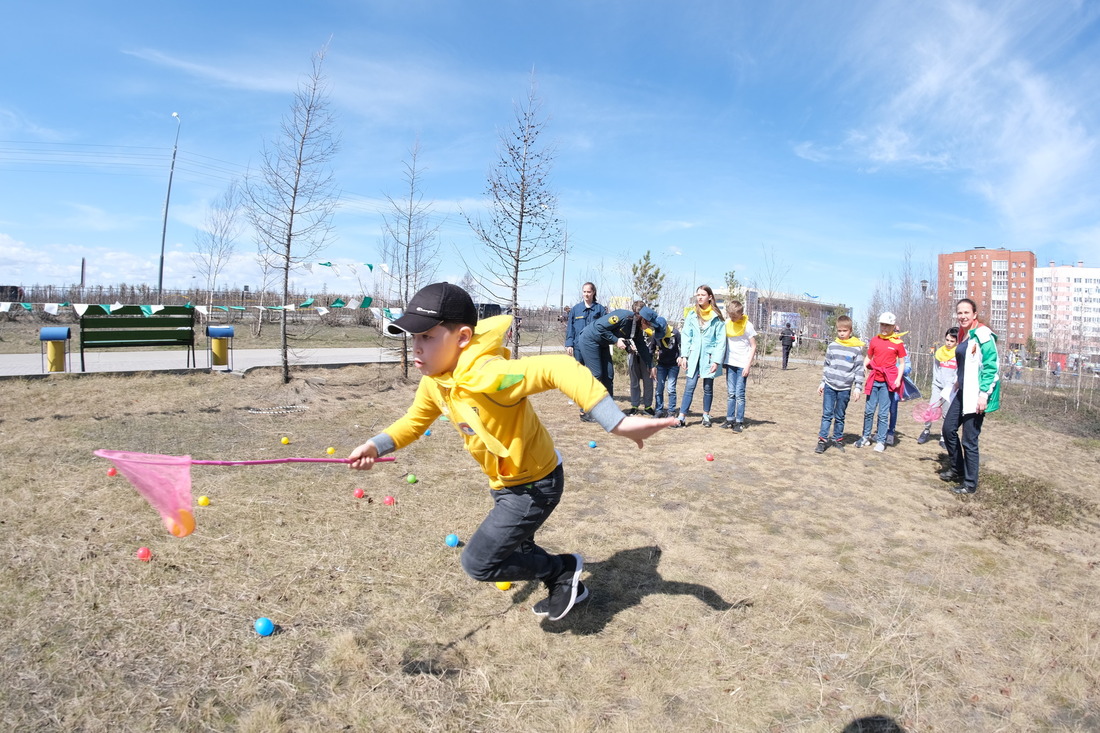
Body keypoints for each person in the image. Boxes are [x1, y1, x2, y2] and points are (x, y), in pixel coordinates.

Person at [348, 282, 674, 621]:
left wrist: (616, 423)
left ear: (461, 337)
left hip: (534, 485)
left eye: (426, 337)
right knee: (518, 547)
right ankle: (563, 578)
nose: (415, 347)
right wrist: (375, 445)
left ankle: (562, 570)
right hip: (503, 482)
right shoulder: (436, 381)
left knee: (479, 562)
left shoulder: (491, 376)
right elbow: (414, 421)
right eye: (413, 337)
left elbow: (558, 369)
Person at [940, 298, 1001, 495]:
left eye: (966, 312)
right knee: (948, 429)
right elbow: (965, 363)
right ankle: (957, 468)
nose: (962, 316)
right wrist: (957, 382)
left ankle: (970, 484)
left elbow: (991, 366)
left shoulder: (983, 334)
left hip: (976, 395)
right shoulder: (962, 335)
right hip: (962, 392)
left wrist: (984, 395)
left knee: (969, 440)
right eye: (959, 313)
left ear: (974, 314)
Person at [575, 303, 662, 411]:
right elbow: (599, 327)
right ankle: (586, 410)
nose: (650, 327)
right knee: (596, 374)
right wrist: (616, 340)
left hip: (602, 344)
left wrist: (650, 364)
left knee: (609, 375)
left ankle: (608, 409)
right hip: (590, 339)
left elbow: (642, 347)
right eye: (650, 325)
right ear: (644, 320)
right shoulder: (623, 317)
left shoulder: (637, 328)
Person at [673, 285, 725, 428]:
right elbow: (686, 336)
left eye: (703, 294)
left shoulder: (717, 317)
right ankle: (682, 417)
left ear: (710, 297)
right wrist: (684, 355)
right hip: (693, 356)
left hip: (709, 357)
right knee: (689, 386)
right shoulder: (691, 314)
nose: (700, 297)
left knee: (708, 388)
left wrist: (716, 360)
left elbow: (721, 340)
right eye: (698, 295)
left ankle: (706, 416)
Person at [856, 312, 907, 452]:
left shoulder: (898, 343)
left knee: (883, 413)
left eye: (887, 325)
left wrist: (897, 379)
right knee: (869, 410)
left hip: (887, 382)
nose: (884, 327)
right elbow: (869, 357)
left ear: (893, 326)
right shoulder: (874, 340)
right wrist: (863, 367)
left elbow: (902, 363)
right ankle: (865, 436)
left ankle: (881, 440)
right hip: (874, 380)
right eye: (882, 324)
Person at [815, 315, 864, 453]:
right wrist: (823, 382)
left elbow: (859, 369)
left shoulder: (856, 349)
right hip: (830, 386)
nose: (842, 333)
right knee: (827, 414)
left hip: (845, 388)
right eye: (839, 331)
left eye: (845, 331)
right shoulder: (832, 346)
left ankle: (837, 439)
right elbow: (827, 366)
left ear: (850, 331)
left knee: (840, 415)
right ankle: (822, 440)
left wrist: (858, 387)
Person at [564, 282, 607, 421]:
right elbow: (570, 328)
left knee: (595, 377)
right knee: (581, 377)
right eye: (584, 292)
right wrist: (569, 343)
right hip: (578, 348)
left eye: (589, 292)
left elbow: (604, 328)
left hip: (594, 349)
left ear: (594, 292)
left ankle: (591, 408)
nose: (586, 294)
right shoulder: (576, 309)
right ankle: (583, 409)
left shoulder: (600, 309)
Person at [918, 326, 958, 446]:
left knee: (947, 413)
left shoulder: (958, 354)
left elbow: (958, 372)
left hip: (950, 389)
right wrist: (936, 384)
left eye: (952, 341)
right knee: (931, 409)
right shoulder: (939, 352)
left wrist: (952, 385)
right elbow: (936, 369)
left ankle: (943, 436)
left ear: (957, 342)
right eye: (947, 340)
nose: (949, 343)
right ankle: (926, 430)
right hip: (937, 386)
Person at [721, 299, 756, 432]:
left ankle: (739, 421)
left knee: (739, 394)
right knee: (731, 393)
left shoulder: (748, 326)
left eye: (735, 317)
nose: (733, 319)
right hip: (730, 363)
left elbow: (753, 346)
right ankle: (729, 419)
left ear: (741, 314)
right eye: (731, 316)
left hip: (742, 364)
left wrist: (748, 366)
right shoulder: (727, 323)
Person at [626, 300, 659, 416]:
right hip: (633, 355)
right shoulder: (631, 324)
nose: (638, 315)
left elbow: (655, 342)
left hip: (647, 357)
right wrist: (630, 346)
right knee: (634, 382)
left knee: (648, 382)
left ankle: (648, 406)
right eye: (636, 312)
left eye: (640, 312)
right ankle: (634, 406)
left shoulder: (649, 325)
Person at [653, 321, 680, 419]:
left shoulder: (675, 333)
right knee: (659, 389)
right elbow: (651, 350)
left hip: (674, 365)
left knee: (671, 389)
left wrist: (681, 357)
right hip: (661, 365)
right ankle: (659, 410)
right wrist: (651, 365)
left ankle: (671, 411)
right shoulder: (655, 335)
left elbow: (682, 346)